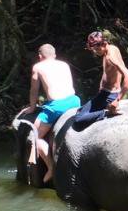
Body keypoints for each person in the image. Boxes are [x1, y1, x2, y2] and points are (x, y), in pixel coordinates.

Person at [15, 44, 80, 182]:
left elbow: (34, 90)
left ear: (40, 57)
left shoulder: (38, 67)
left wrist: (32, 108)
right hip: (74, 101)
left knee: (34, 135)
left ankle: (51, 168)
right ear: (54, 55)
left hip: (57, 105)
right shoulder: (64, 64)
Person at [73, 31, 128, 127]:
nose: (95, 52)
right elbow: (107, 72)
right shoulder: (112, 48)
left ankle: (105, 113)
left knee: (78, 119)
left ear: (103, 44)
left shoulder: (110, 57)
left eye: (96, 49)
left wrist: (117, 100)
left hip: (110, 96)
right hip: (104, 93)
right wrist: (101, 85)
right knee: (79, 110)